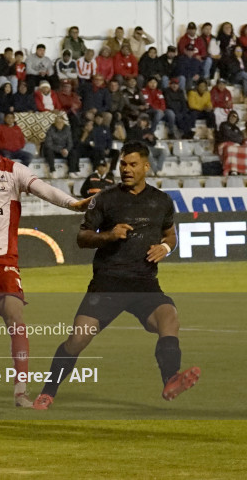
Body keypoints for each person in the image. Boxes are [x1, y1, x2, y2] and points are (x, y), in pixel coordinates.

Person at [33, 142, 200, 409]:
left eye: (133, 164)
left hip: (144, 283)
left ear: (147, 166)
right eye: (123, 164)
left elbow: (170, 235)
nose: (126, 169)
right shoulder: (105, 199)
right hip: (107, 282)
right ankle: (48, 391)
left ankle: (171, 379)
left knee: (170, 320)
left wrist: (165, 247)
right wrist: (109, 235)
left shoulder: (161, 201)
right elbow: (82, 237)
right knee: (77, 340)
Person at [0, 118, 89, 408]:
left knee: (16, 318)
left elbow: (43, 189)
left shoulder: (13, 171)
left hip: (2, 262)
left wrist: (73, 204)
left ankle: (20, 391)